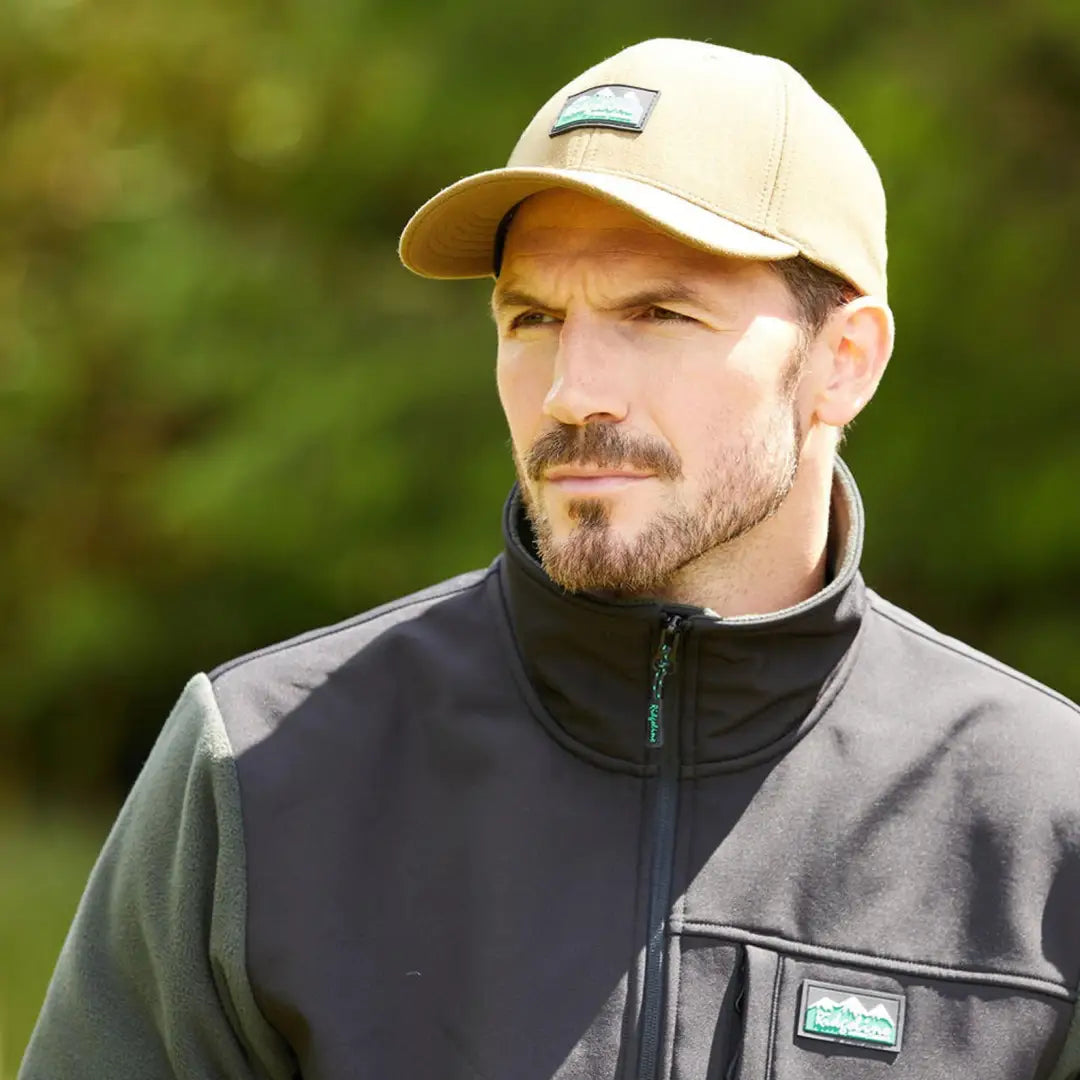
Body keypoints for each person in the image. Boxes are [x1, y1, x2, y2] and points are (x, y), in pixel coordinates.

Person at [19, 37, 1080, 1080]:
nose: (573, 393)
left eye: (657, 313)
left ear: (842, 363)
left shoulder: (1043, 812)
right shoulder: (259, 766)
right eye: (531, 316)